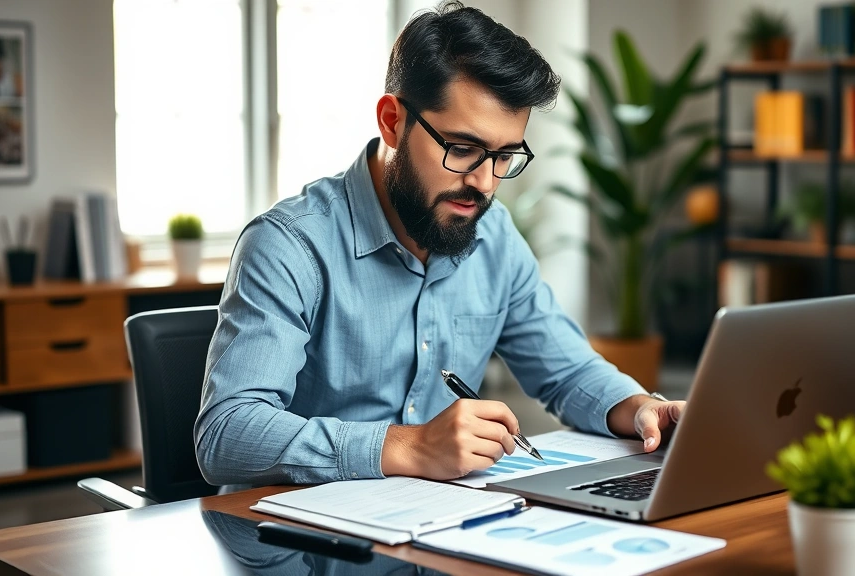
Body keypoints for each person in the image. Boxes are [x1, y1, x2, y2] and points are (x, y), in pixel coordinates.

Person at [195, 1, 685, 488]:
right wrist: (409, 445)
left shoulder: (493, 236)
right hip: (298, 547)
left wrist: (642, 408)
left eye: (505, 156)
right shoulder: (289, 245)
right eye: (464, 149)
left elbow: (567, 371)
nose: (486, 183)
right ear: (392, 121)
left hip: (433, 534)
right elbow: (226, 433)